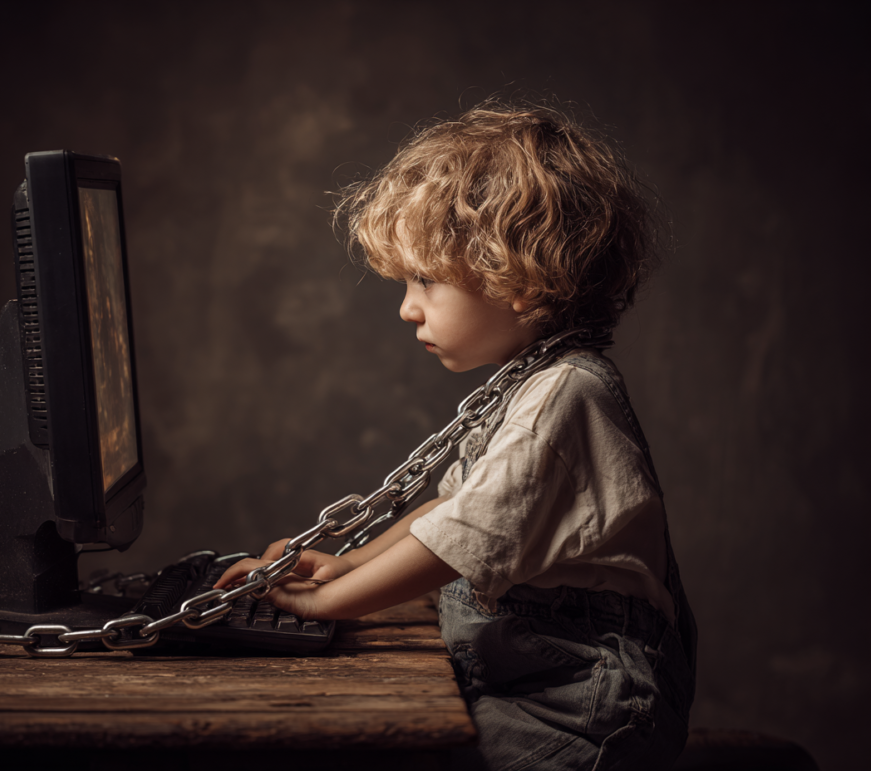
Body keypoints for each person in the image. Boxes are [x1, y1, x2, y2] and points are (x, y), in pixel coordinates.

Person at [216, 102, 697, 770]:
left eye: (425, 279)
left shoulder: (566, 394)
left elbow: (463, 541)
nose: (408, 306)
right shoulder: (530, 382)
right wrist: (349, 562)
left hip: (580, 709)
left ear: (521, 280)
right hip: (527, 684)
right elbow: (450, 510)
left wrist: (328, 601)